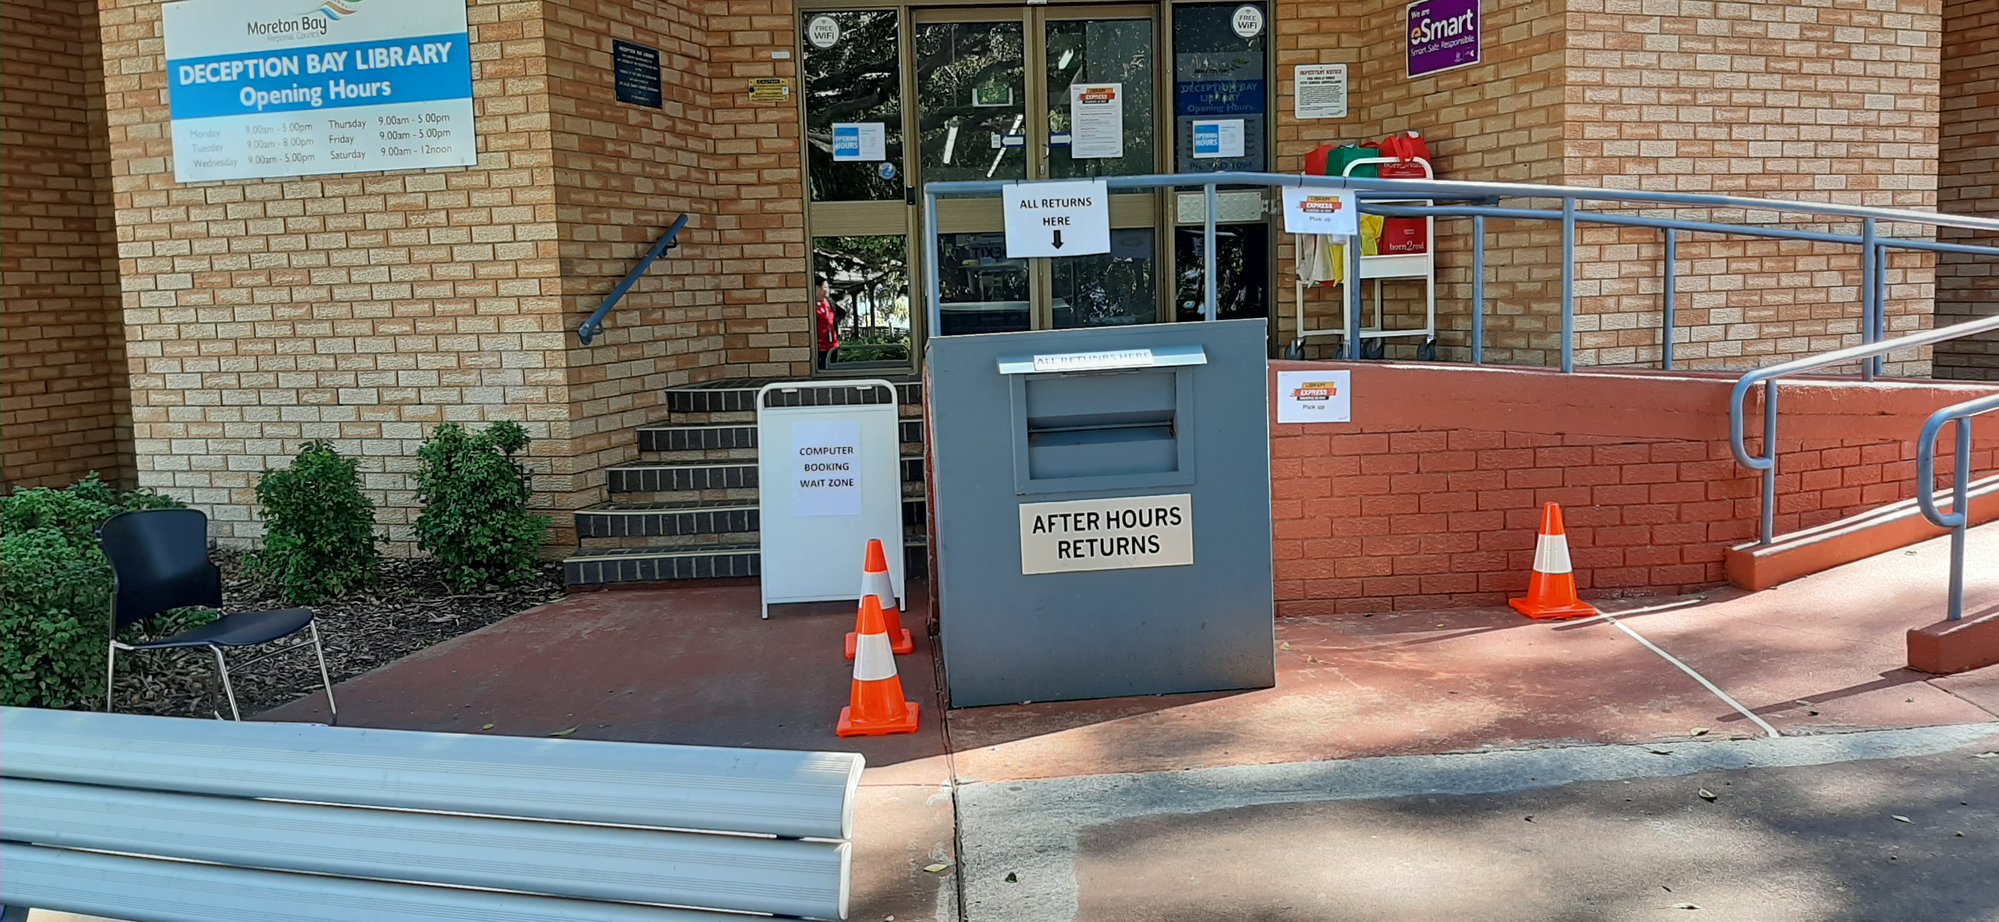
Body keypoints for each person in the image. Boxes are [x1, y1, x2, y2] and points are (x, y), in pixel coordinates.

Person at [815, 278, 841, 370]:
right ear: (818, 288)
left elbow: (841, 313)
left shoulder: (829, 301)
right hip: (819, 347)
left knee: (833, 369)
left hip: (833, 345)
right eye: (825, 287)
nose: (828, 290)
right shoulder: (812, 303)